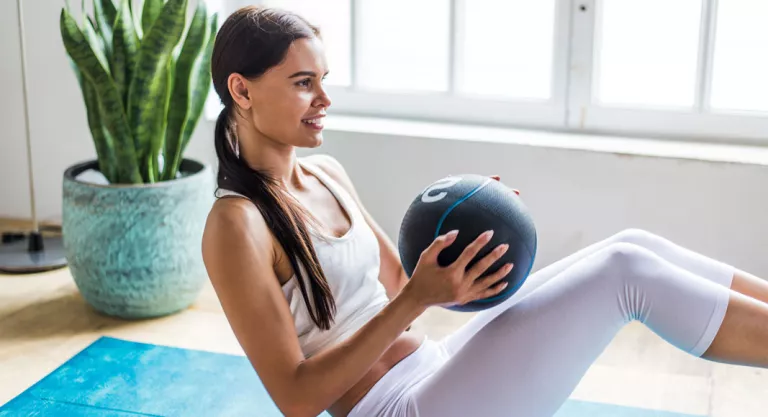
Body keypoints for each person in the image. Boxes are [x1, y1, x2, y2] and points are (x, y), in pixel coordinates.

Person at [201, 6, 768, 417]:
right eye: (304, 84)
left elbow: (402, 280)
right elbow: (297, 400)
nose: (325, 100)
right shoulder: (237, 225)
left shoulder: (327, 173)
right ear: (242, 91)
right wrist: (416, 297)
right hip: (397, 410)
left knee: (635, 243)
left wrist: (473, 216)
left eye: (323, 81)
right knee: (625, 273)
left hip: (436, 366)